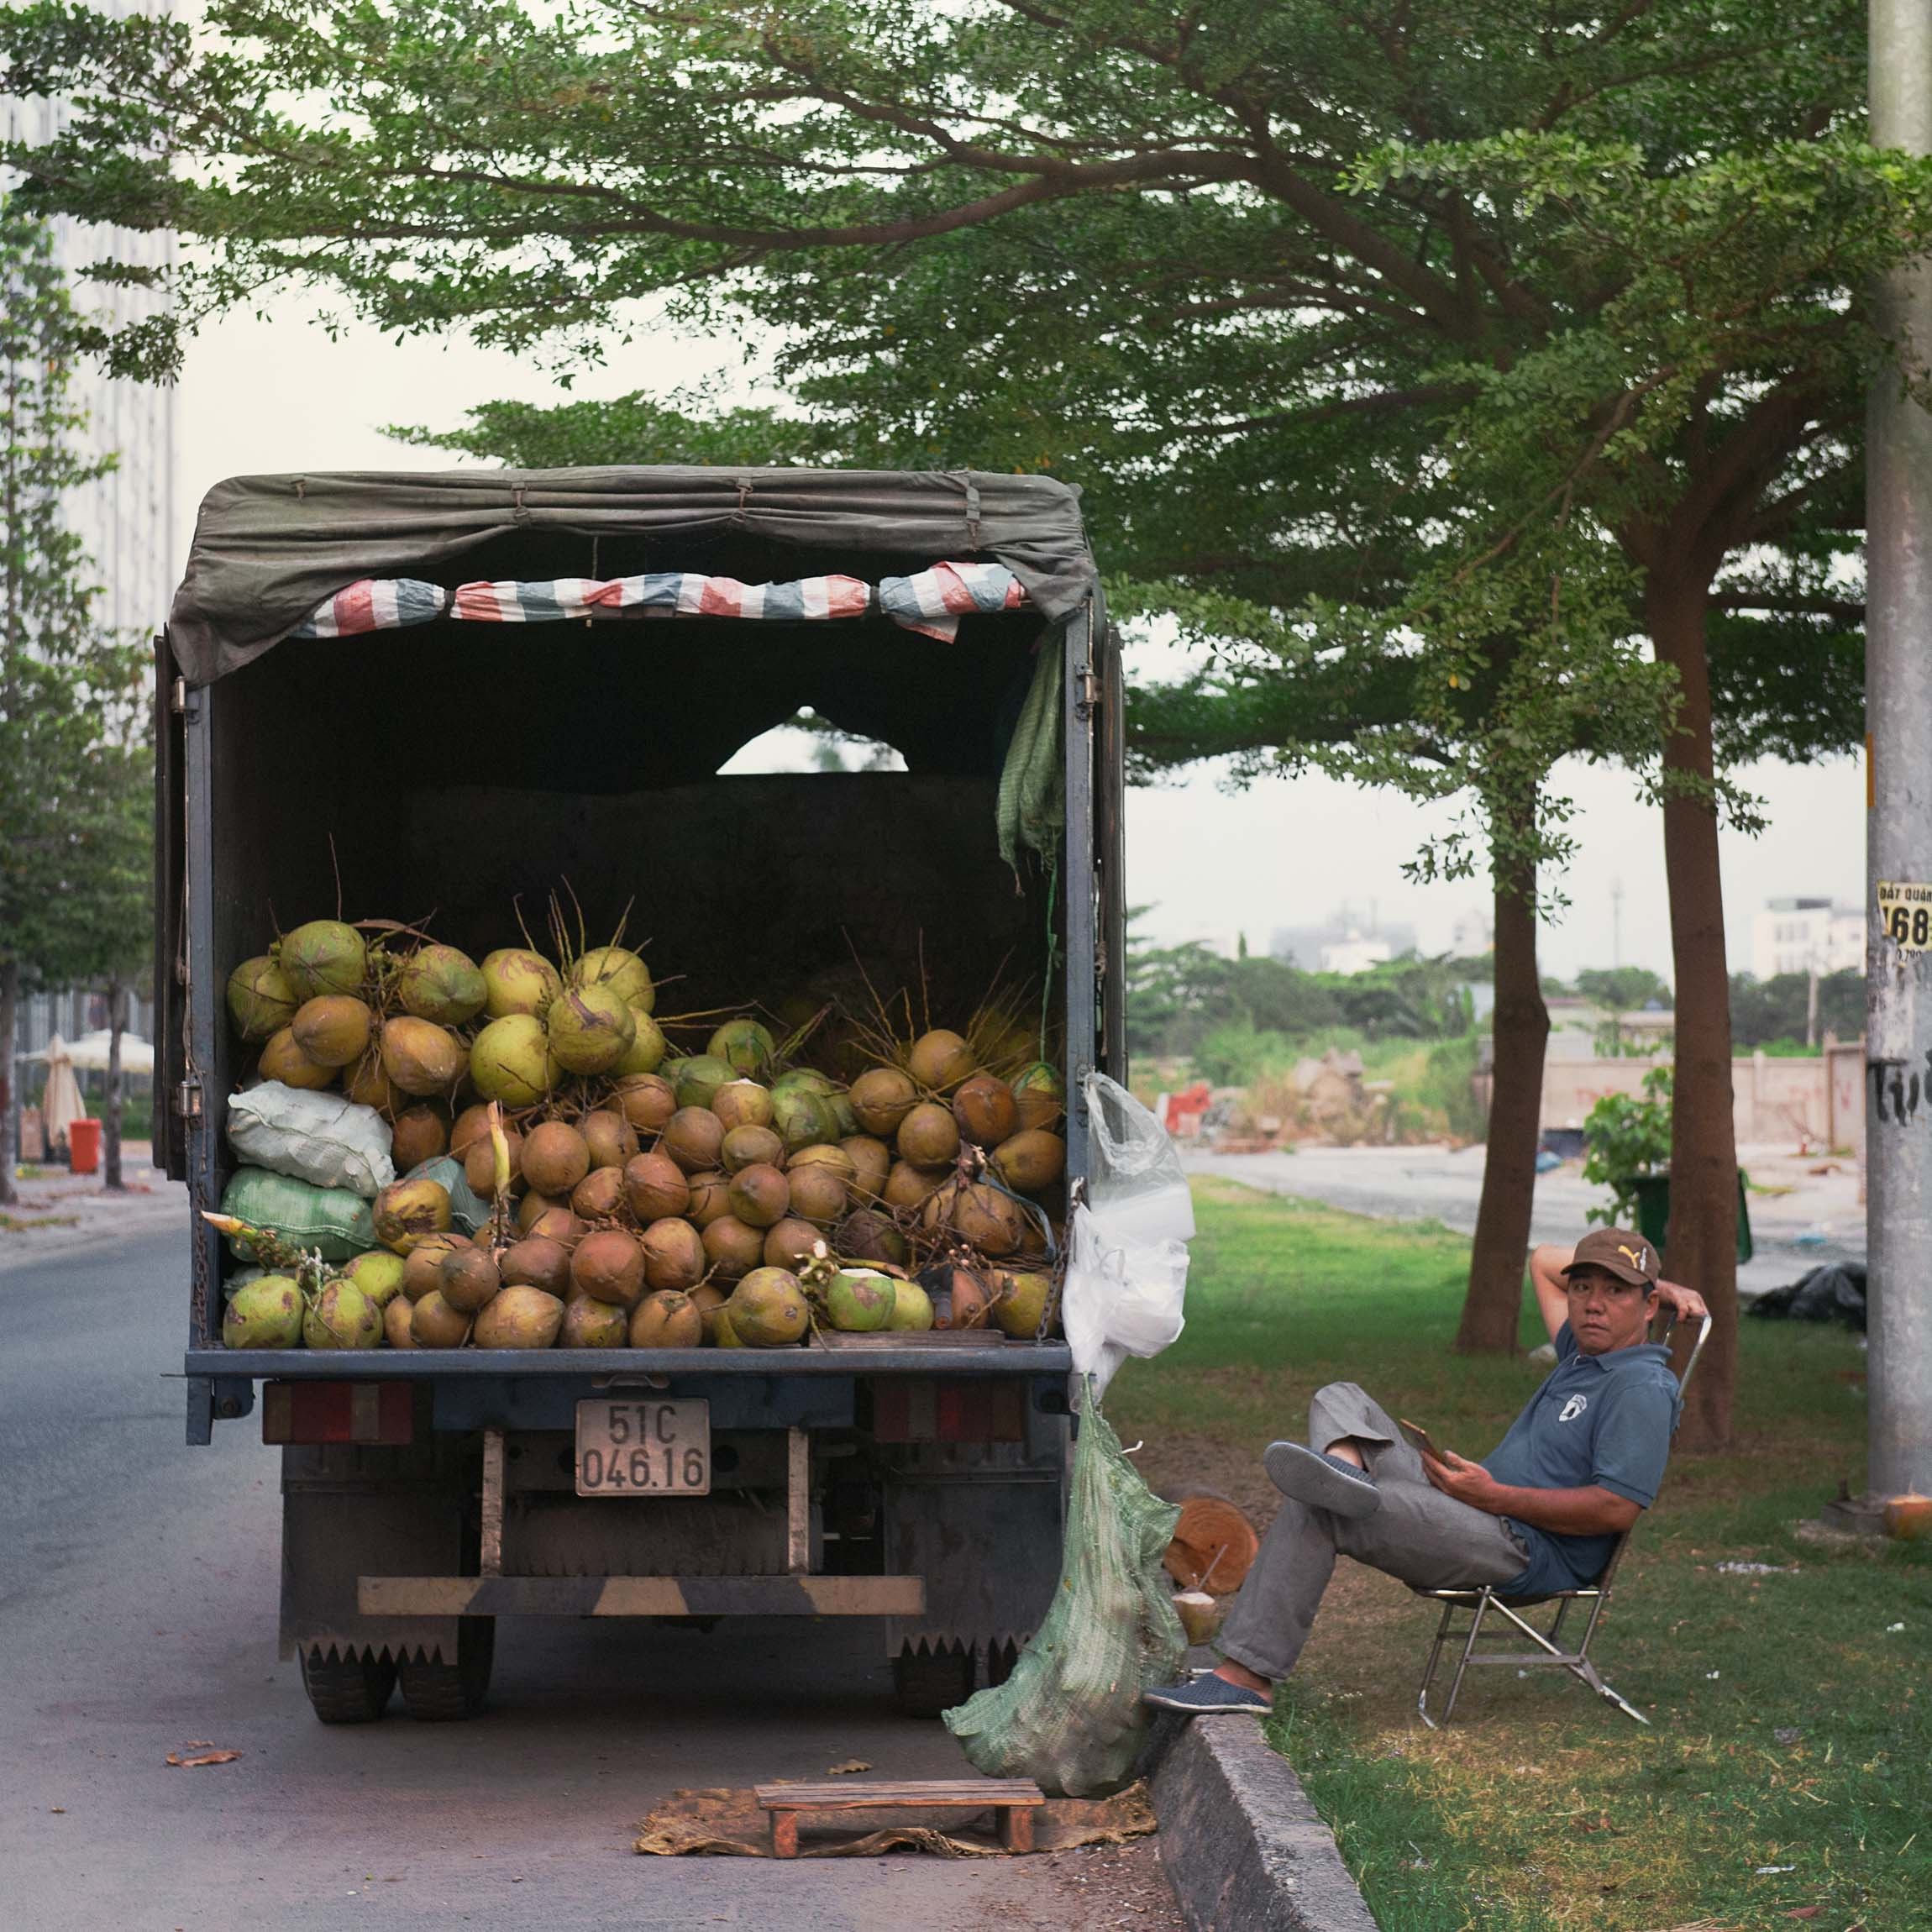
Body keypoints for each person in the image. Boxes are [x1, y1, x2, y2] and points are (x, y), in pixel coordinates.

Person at [1144, 1227, 1709, 1714]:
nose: (1592, 1303)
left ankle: (1246, 1680)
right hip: (1478, 1507)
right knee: (1343, 1398)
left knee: (1320, 1508)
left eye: (1616, 1292)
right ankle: (1348, 1475)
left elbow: (1616, 1509)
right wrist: (1651, 1281)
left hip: (1522, 1546)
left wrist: (1495, 1497)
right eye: (1583, 1287)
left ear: (1648, 1308)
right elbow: (1542, 1260)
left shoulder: (1639, 1387)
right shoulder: (1585, 1356)